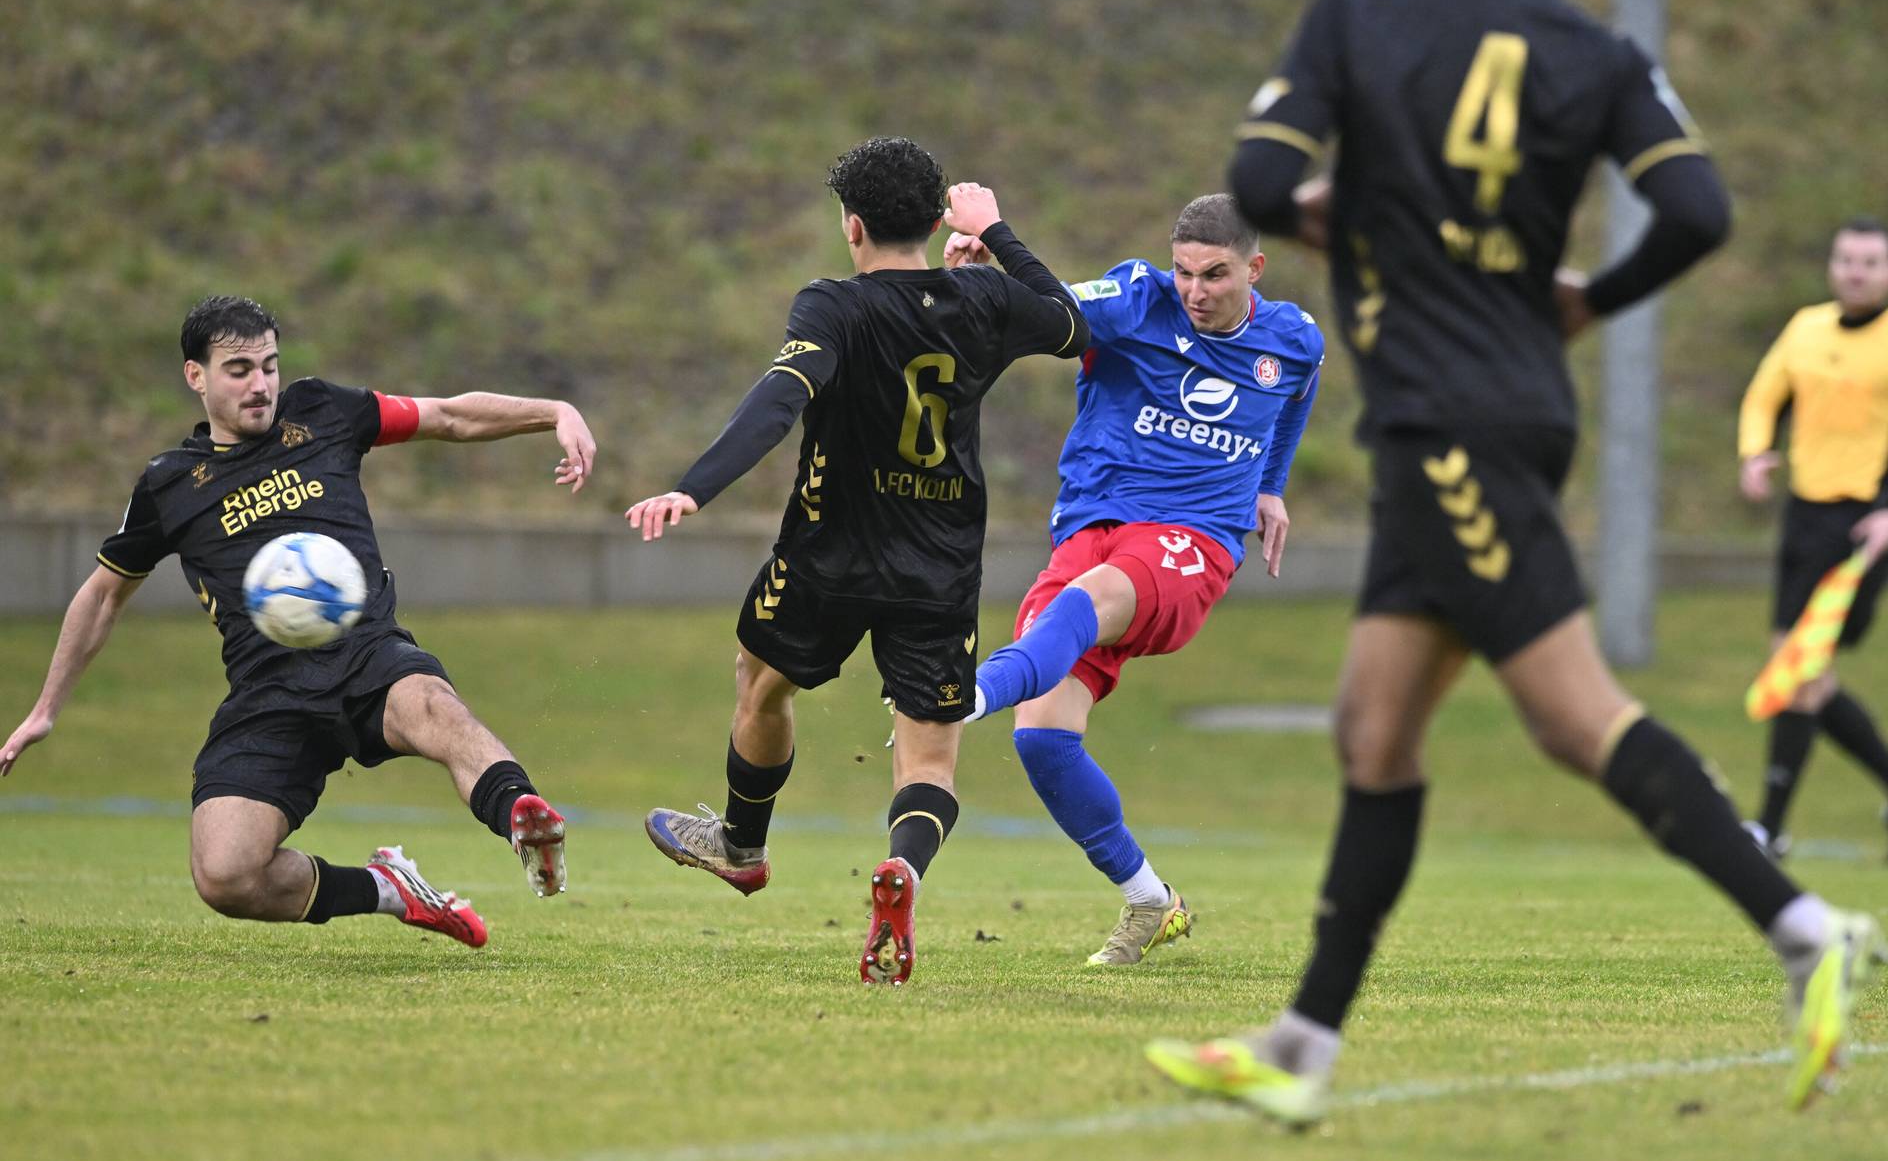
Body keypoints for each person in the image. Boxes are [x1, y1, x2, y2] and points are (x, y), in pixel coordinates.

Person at [1146, 0, 1886, 1125]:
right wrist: (1590, 298)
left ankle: (1807, 927)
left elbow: (1260, 180)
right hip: (1509, 406)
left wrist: (1359, 217)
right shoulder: (1598, 51)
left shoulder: (1358, 14)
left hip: (1447, 425)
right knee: (1373, 731)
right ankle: (1302, 1049)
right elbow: (1700, 210)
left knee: (1575, 713)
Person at [629, 137, 1088, 986]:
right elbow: (1070, 325)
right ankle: (902, 873)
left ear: (853, 226)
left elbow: (779, 398)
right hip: (941, 566)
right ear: (937, 217)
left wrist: (695, 488)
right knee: (928, 764)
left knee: (761, 684)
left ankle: (742, 843)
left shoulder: (832, 305)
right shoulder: (986, 297)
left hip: (827, 557)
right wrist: (998, 237)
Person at [1, 296, 592, 948]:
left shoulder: (323, 412)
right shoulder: (170, 486)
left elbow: (447, 415)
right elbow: (103, 596)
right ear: (195, 375)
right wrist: (45, 709)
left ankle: (523, 819)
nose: (261, 385)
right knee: (225, 875)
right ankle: (389, 889)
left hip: (369, 656)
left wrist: (554, 412)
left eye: (270, 366)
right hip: (269, 691)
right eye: (239, 369)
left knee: (433, 707)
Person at [945, 193, 1323, 965]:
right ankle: (1150, 899)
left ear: (1255, 268)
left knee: (1093, 601)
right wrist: (980, 275)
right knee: (1045, 740)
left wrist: (1271, 482)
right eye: (1184, 273)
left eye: (1215, 276)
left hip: (1194, 544)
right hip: (1093, 525)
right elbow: (1047, 314)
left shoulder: (1292, 340)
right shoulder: (1135, 298)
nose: (1195, 293)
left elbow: (1294, 394)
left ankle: (962, 693)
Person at [1738, 218, 1888, 865]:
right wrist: (1756, 454)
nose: (1855, 272)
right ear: (1832, 267)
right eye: (1845, 259)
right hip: (1803, 518)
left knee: (1800, 669)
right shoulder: (1805, 329)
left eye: (1870, 262)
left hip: (1862, 528)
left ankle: (1768, 829)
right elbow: (1762, 399)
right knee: (1797, 670)